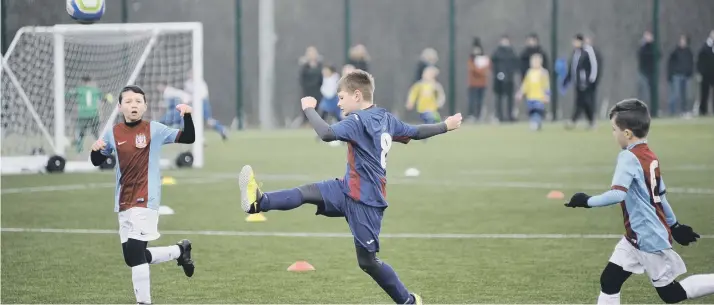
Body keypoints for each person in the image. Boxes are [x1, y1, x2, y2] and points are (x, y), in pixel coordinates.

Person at [237, 70, 463, 304]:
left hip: (366, 201)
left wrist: (308, 108)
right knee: (306, 193)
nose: (338, 102)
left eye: (341, 97)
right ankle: (258, 201)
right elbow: (415, 132)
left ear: (357, 95)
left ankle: (408, 301)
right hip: (347, 189)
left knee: (367, 262)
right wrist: (445, 125)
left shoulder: (357, 121)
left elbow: (326, 134)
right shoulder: (385, 117)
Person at [564, 99, 714, 305]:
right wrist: (675, 225)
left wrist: (586, 201)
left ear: (627, 133)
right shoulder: (649, 155)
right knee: (609, 280)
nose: (613, 134)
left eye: (614, 129)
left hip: (648, 237)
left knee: (671, 294)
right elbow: (660, 196)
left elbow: (618, 194)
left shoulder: (628, 157)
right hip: (635, 236)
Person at [90, 85, 196, 305]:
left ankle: (144, 302)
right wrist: (95, 150)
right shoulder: (114, 132)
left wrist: (187, 115)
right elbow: (98, 161)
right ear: (120, 107)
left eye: (138, 101)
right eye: (128, 102)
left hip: (147, 199)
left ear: (145, 106)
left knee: (136, 252)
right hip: (123, 201)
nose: (133, 105)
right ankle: (179, 250)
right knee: (132, 258)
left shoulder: (154, 129)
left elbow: (188, 138)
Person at [67, 75, 110, 153]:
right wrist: (107, 99)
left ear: (82, 82)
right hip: (94, 114)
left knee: (80, 132)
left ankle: (79, 149)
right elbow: (105, 97)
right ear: (90, 82)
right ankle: (102, 147)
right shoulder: (95, 90)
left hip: (83, 114)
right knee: (96, 132)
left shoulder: (79, 89)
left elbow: (68, 94)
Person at [564, 34, 598, 129]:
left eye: (576, 41)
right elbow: (573, 68)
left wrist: (591, 80)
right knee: (583, 102)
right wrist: (568, 79)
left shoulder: (587, 52)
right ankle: (591, 121)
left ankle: (573, 121)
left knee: (582, 102)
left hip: (585, 82)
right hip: (577, 82)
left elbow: (593, 66)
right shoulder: (575, 53)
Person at [184, 71, 228, 140]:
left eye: (192, 74)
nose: (190, 75)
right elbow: (186, 95)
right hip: (193, 104)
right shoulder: (188, 84)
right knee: (193, 121)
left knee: (208, 121)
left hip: (203, 103)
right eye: (190, 74)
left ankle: (222, 129)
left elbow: (203, 95)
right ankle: (200, 138)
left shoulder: (200, 83)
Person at [516, 53, 550, 131]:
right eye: (533, 62)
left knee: (537, 111)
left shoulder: (543, 73)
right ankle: (538, 124)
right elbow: (525, 84)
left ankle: (535, 124)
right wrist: (521, 93)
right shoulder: (529, 72)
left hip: (540, 97)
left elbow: (546, 85)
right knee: (531, 112)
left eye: (536, 62)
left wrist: (547, 95)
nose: (534, 63)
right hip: (530, 97)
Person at [491, 35, 519, 122]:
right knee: (499, 98)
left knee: (510, 98)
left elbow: (515, 64)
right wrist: (497, 73)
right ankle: (499, 116)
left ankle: (510, 115)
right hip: (498, 79)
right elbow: (493, 64)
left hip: (509, 79)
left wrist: (510, 73)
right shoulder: (497, 52)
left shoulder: (511, 52)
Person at [667, 34, 694, 117]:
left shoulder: (689, 52)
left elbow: (691, 63)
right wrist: (671, 74)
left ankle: (684, 111)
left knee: (685, 95)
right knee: (675, 94)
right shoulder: (675, 52)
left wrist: (690, 72)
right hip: (677, 75)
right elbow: (670, 64)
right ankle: (672, 112)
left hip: (686, 75)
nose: (682, 42)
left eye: (684, 40)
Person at [467, 42, 490, 122]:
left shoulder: (484, 59)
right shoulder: (471, 59)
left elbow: (488, 68)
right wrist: (482, 71)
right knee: (472, 100)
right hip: (473, 84)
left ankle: (479, 115)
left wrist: (482, 71)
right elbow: (474, 69)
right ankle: (472, 115)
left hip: (482, 84)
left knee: (480, 101)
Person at [696, 29, 714, 116]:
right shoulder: (705, 46)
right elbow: (700, 60)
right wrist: (700, 72)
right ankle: (703, 111)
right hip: (705, 74)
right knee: (704, 93)